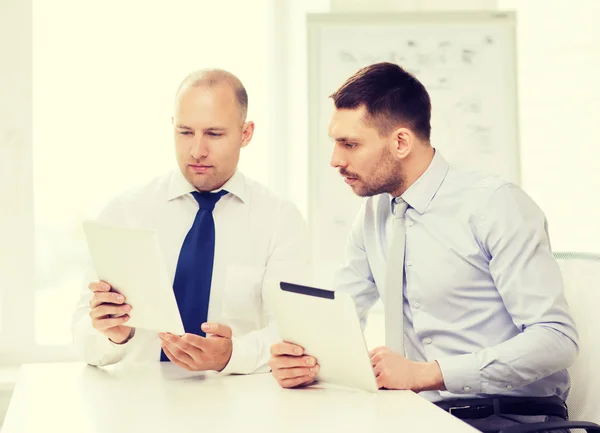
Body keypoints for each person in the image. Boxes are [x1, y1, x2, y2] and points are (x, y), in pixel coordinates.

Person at [268, 62, 578, 432]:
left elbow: (557, 339)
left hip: (509, 418)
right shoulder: (375, 212)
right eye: (335, 142)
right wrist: (304, 359)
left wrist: (428, 374)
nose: (335, 160)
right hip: (417, 416)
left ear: (400, 142)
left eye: (349, 144)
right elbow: (341, 311)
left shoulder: (495, 205)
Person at [72, 68, 309, 375]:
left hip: (238, 407)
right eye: (185, 133)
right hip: (139, 408)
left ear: (245, 133)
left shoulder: (279, 220)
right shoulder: (125, 213)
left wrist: (233, 355)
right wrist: (113, 336)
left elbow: (295, 333)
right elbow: (82, 335)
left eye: (214, 134)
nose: (197, 150)